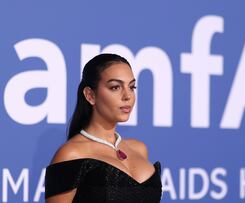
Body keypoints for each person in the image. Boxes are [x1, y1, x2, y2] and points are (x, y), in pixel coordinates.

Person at [45, 54, 162, 203]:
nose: (128, 96)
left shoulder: (139, 149)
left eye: (132, 87)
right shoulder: (70, 154)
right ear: (90, 95)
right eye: (115, 87)